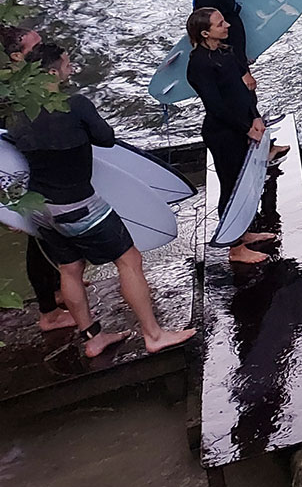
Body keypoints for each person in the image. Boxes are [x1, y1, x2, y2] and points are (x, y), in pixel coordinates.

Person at [5, 41, 195, 357]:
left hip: (39, 208)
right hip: (79, 206)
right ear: (52, 71)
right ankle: (154, 334)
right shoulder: (75, 105)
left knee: (69, 269)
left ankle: (93, 338)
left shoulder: (17, 112)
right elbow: (106, 139)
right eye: (67, 63)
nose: (71, 68)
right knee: (129, 260)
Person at [185, 8, 277, 265]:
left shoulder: (225, 52)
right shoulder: (199, 64)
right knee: (231, 187)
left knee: (246, 183)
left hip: (244, 124)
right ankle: (234, 247)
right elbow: (215, 106)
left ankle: (243, 232)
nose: (227, 25)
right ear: (205, 33)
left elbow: (242, 90)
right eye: (220, 23)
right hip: (223, 133)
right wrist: (246, 128)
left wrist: (256, 117)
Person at [3, 24, 75, 333]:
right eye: (35, 48)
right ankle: (48, 312)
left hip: (43, 173)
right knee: (38, 238)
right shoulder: (13, 95)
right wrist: (9, 206)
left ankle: (60, 287)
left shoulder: (35, 82)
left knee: (51, 235)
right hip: (25, 178)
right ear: (17, 57)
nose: (43, 51)